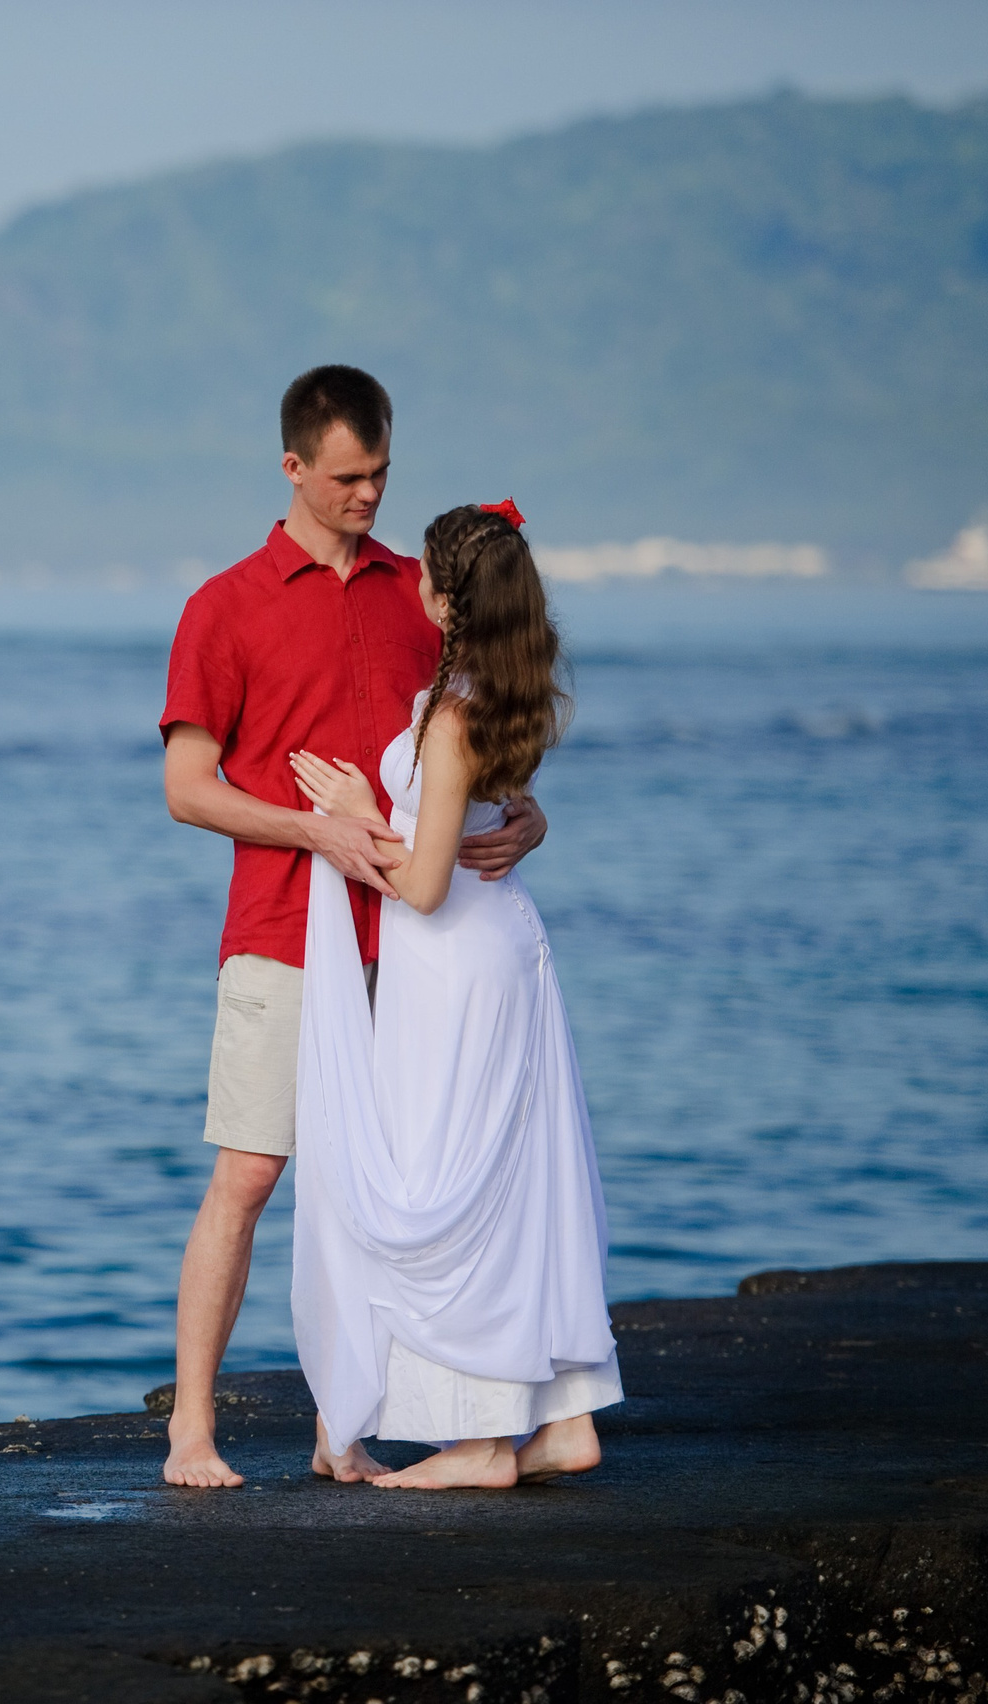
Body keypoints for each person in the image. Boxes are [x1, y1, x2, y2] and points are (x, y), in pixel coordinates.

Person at [157, 366, 546, 1489]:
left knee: (387, 1191)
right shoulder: (222, 606)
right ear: (292, 468)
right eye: (345, 478)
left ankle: (345, 1429)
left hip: (417, 947)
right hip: (281, 934)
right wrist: (308, 830)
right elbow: (187, 787)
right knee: (248, 1174)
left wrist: (527, 811)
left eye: (380, 473)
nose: (368, 495)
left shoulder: (416, 593)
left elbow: (477, 732)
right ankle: (191, 1429)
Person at [285, 500, 619, 1490]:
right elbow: (500, 810)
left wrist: (354, 812)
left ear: (442, 597)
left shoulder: (450, 712)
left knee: (446, 1184)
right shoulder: (511, 692)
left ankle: (476, 1441)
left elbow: (422, 884)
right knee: (522, 1176)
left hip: (453, 964)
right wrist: (525, 822)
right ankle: (562, 1418)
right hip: (505, 945)